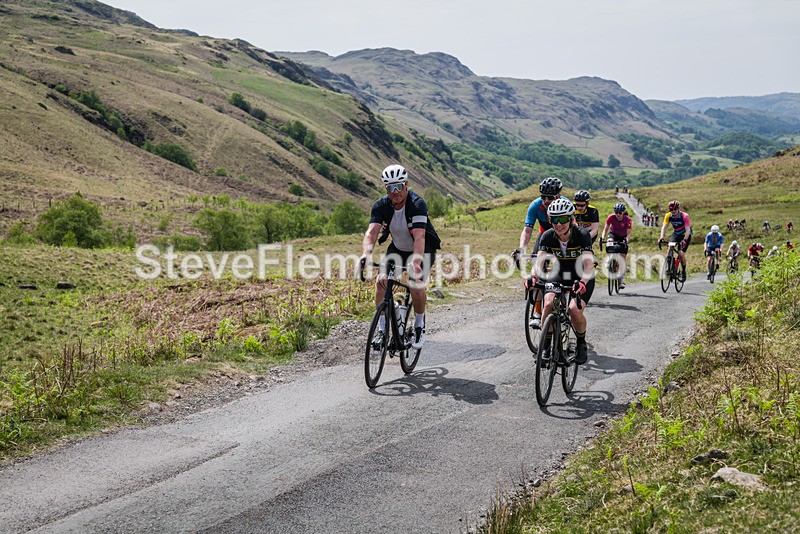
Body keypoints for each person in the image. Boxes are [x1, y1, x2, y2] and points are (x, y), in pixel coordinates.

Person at [361, 164, 441, 350]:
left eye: (398, 186)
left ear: (406, 184)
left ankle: (419, 325)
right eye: (391, 187)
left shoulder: (417, 204)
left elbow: (420, 237)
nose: (395, 191)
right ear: (386, 188)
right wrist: (366, 254)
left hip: (422, 249)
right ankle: (382, 331)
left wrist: (416, 263)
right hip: (397, 248)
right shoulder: (381, 205)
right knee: (381, 282)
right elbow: (371, 233)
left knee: (415, 283)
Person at [529, 198, 594, 364]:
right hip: (559, 272)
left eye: (563, 219)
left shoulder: (581, 234)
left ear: (571, 219)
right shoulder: (547, 236)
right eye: (554, 219)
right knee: (548, 303)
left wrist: (583, 283)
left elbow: (588, 265)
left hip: (581, 276)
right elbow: (539, 263)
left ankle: (581, 343)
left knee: (574, 310)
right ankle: (546, 346)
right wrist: (533, 277)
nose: (559, 224)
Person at [514, 177, 563, 328]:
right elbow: (527, 230)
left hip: (562, 238)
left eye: (550, 197)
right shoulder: (535, 205)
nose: (546, 200)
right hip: (544, 237)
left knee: (564, 269)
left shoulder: (565, 205)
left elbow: (574, 229)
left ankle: (563, 304)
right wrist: (522, 249)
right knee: (538, 271)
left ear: (559, 196)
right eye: (543, 196)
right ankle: (536, 311)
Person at [658, 200, 692, 282]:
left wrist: (684, 240)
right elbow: (664, 227)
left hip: (685, 235)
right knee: (670, 247)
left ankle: (683, 271)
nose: (673, 211)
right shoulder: (668, 216)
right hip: (676, 234)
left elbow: (688, 230)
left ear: (678, 209)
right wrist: (661, 237)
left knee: (680, 253)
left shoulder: (684, 216)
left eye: (675, 209)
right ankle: (670, 267)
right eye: (671, 209)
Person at [600, 202, 632, 289]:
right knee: (609, 242)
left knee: (622, 258)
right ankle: (609, 261)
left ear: (623, 212)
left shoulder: (628, 219)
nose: (618, 214)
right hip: (613, 234)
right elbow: (605, 228)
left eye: (620, 213)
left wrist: (626, 240)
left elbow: (629, 233)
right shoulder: (611, 217)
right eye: (616, 212)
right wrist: (602, 237)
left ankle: (621, 279)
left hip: (623, 236)